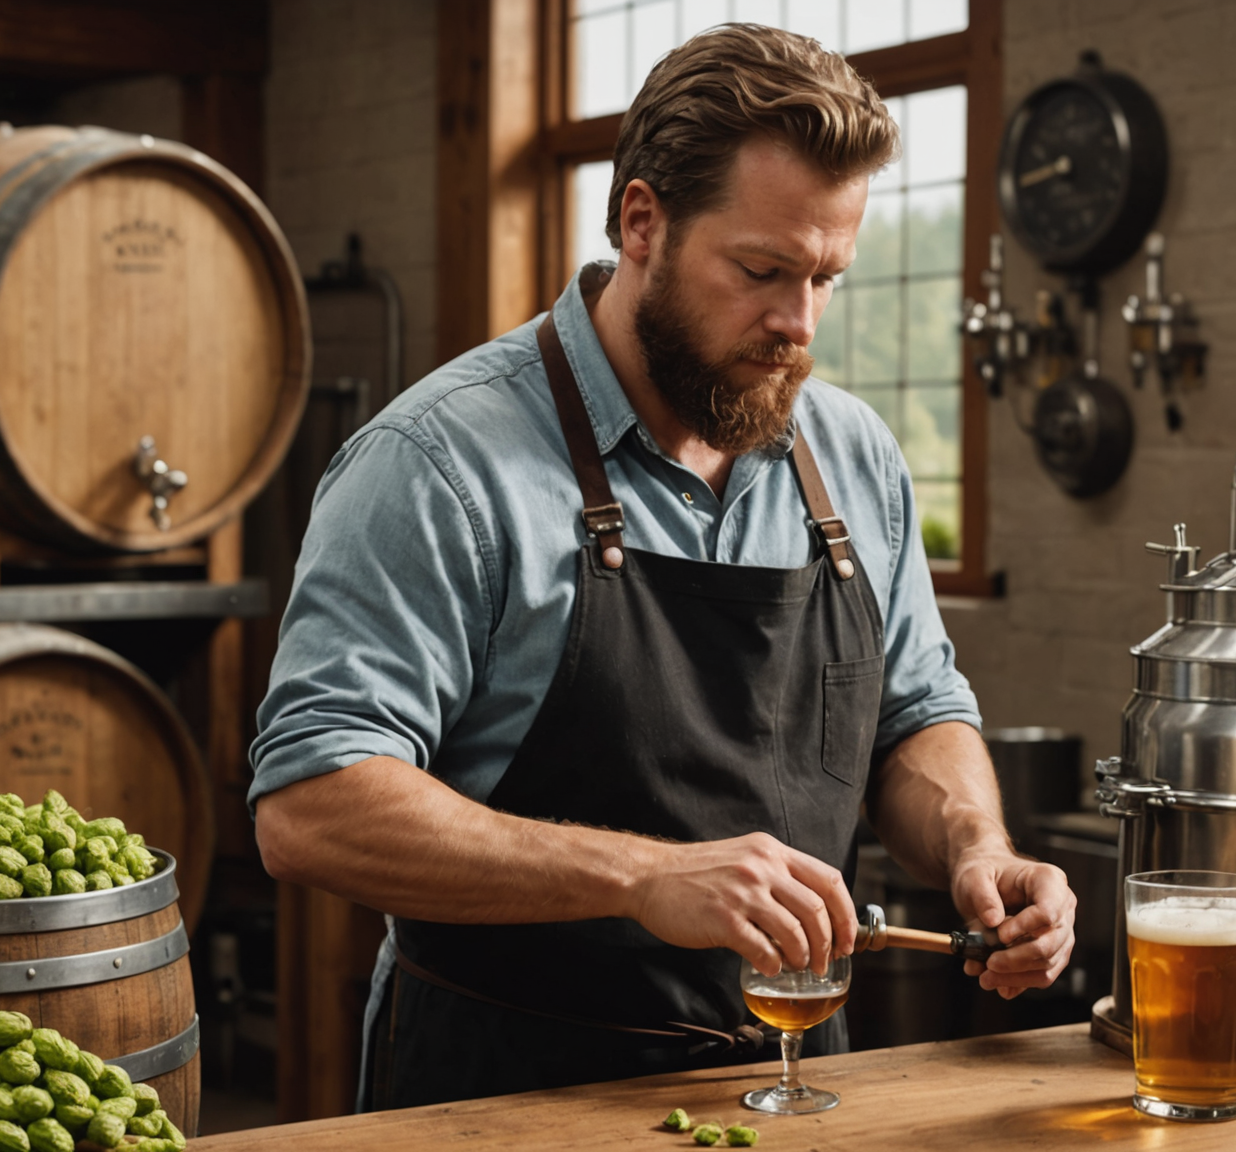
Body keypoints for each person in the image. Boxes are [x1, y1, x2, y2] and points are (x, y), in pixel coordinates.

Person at [249, 23, 1077, 1109]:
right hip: (504, 1098)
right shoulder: (438, 463)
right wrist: (643, 876)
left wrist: (977, 846)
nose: (798, 322)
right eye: (761, 270)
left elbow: (915, 715)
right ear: (642, 220)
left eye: (828, 277)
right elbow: (310, 804)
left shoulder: (855, 457)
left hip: (793, 1092)